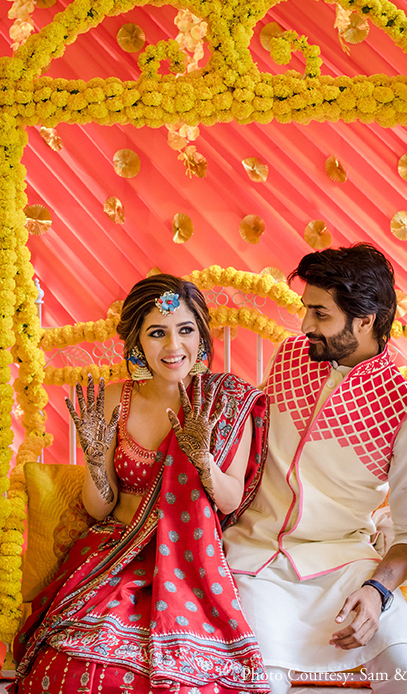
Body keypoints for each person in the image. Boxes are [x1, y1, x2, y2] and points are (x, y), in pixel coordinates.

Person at [11, 275, 270, 694]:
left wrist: (203, 461)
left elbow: (229, 500)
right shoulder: (116, 400)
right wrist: (96, 461)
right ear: (137, 341)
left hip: (187, 557)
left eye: (185, 330)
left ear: (201, 335)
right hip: (116, 551)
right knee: (66, 667)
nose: (173, 346)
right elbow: (99, 507)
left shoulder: (224, 402)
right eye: (157, 333)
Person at [223, 244, 407, 694]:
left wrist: (378, 591)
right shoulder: (288, 357)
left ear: (365, 320)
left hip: (344, 563)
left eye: (320, 314)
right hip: (256, 556)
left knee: (406, 674)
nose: (305, 326)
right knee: (263, 684)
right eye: (307, 309)